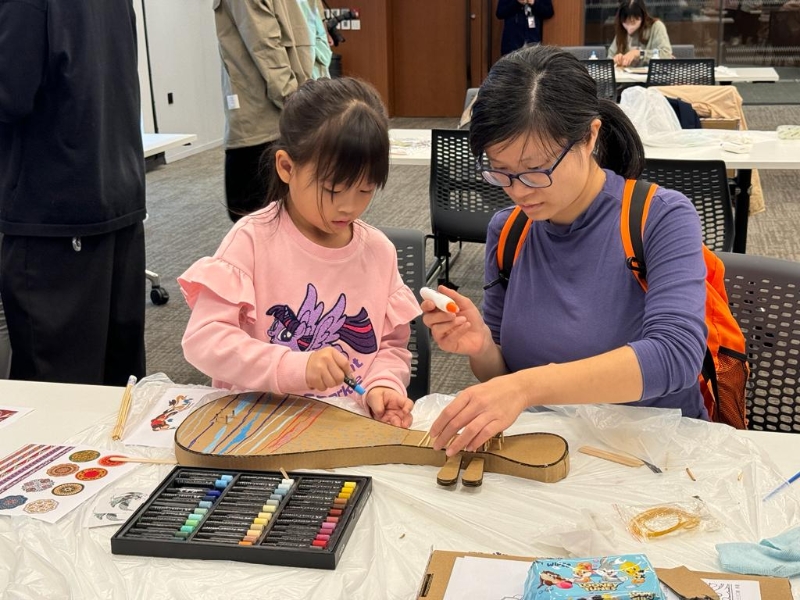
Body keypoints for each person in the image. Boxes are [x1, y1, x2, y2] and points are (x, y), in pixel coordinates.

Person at [421, 45, 707, 457]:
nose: (517, 190)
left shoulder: (659, 217)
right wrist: (482, 345)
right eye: (500, 170)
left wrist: (527, 386)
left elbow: (676, 355)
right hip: (551, 452)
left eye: (535, 170)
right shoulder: (510, 230)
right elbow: (503, 374)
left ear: (589, 137)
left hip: (652, 456)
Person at [178, 77, 421, 428]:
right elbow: (204, 340)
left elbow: (389, 347)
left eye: (366, 190)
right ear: (287, 167)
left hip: (343, 427)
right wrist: (295, 367)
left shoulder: (378, 252)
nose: (350, 207)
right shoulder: (252, 241)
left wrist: (382, 385)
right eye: (333, 190)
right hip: (256, 424)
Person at [0, 0, 146, 385]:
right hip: (118, 198)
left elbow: (10, 94)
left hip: (57, 211)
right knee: (118, 388)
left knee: (57, 398)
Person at [214, 0, 314, 223]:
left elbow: (267, 48)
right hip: (281, 116)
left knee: (258, 220)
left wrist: (296, 104)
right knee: (279, 221)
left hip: (265, 123)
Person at [608, 0, 672, 67]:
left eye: (633, 22)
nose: (629, 27)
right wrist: (616, 60)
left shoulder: (656, 27)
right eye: (625, 22)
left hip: (650, 76)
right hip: (625, 76)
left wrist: (639, 53)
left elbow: (666, 54)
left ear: (642, 17)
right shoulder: (622, 30)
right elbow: (610, 58)